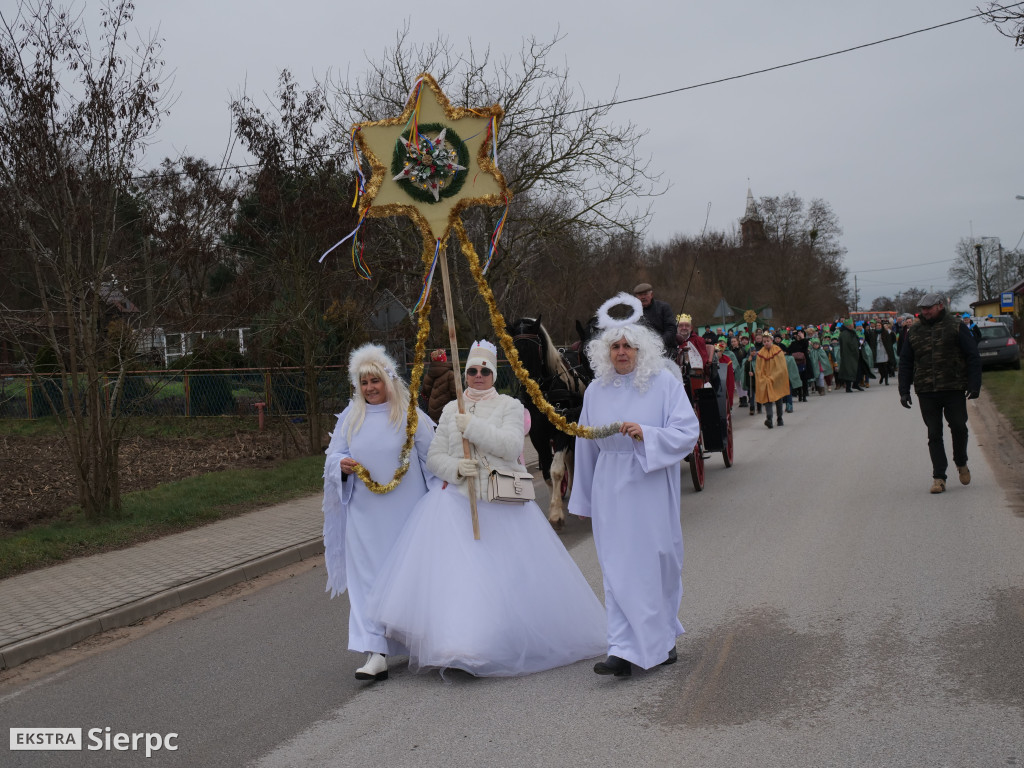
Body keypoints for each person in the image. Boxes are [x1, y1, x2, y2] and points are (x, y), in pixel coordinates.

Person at [369, 340, 606, 676]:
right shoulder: (452, 409)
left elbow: (510, 447)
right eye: (472, 371)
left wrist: (474, 429)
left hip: (498, 503)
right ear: (465, 373)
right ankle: (461, 647)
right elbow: (434, 456)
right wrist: (455, 467)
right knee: (461, 580)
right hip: (454, 504)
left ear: (493, 374)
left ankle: (496, 639)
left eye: (485, 371)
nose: (478, 376)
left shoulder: (509, 406)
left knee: (500, 578)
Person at [569, 293, 700, 677]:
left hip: (650, 484)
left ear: (640, 349)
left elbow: (687, 432)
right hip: (611, 488)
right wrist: (584, 497)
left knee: (656, 562)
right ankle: (622, 648)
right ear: (604, 352)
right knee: (617, 566)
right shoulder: (595, 391)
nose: (621, 352)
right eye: (615, 346)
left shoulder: (663, 383)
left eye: (628, 345)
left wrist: (647, 434)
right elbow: (586, 445)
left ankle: (661, 640)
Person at [323, 344, 438, 682]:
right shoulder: (351, 417)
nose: (370, 388)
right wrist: (340, 466)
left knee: (407, 577)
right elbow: (333, 457)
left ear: (388, 379)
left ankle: (419, 639)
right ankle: (375, 651)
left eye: (375, 381)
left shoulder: (409, 414)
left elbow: (431, 460)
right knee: (368, 581)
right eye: (364, 383)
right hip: (364, 516)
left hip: (406, 514)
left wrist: (442, 500)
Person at [898, 293, 982, 494]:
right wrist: (904, 390)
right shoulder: (914, 331)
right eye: (923, 308)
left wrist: (974, 384)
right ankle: (939, 478)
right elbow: (906, 362)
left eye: (929, 308)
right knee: (934, 434)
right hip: (926, 390)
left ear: (940, 306)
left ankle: (961, 462)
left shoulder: (956, 326)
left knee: (959, 427)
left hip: (953, 387)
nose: (925, 311)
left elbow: (972, 356)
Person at [755, 332, 789, 427]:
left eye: (768, 341)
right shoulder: (761, 353)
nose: (766, 343)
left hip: (776, 378)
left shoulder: (778, 350)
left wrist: (773, 377)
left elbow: (781, 367)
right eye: (764, 341)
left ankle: (779, 417)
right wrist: (762, 378)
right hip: (765, 379)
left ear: (772, 341)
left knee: (778, 398)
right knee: (767, 398)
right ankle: (769, 417)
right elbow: (758, 368)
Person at [633, 282, 677, 355]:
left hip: (664, 349)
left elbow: (671, 329)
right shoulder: (631, 314)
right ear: (636, 298)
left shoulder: (664, 308)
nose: (643, 297)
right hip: (640, 351)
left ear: (651, 295)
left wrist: (659, 342)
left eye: (645, 294)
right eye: (640, 295)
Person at [419, 348, 457, 422]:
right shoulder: (450, 375)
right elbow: (455, 394)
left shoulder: (428, 375)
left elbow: (425, 392)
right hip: (448, 410)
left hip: (432, 410)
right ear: (444, 359)